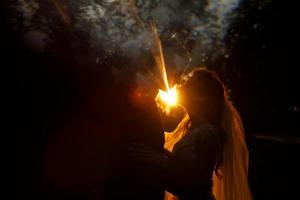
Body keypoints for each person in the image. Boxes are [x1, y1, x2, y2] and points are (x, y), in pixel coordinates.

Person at [131, 68, 252, 200]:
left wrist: (157, 160)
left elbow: (194, 184)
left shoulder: (208, 133)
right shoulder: (196, 131)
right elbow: (184, 168)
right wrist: (156, 154)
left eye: (188, 84)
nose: (178, 86)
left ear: (201, 97)